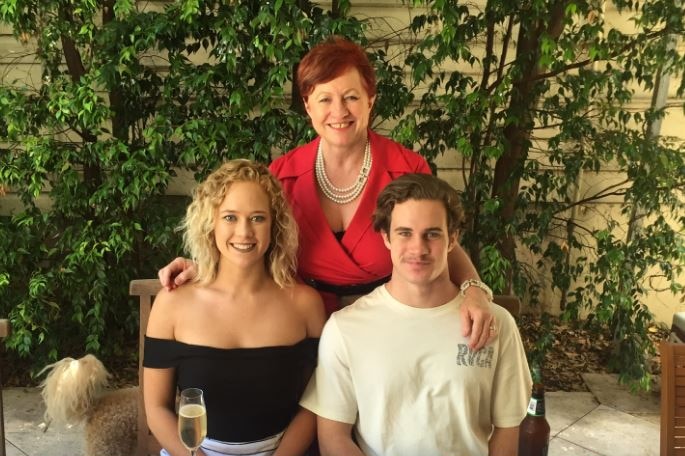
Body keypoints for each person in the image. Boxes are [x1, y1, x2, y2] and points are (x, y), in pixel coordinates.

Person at [158, 36, 495, 350]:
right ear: (308, 106)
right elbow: (252, 243)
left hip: (390, 330)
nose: (339, 111)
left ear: (370, 100)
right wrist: (204, 267)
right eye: (325, 99)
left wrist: (475, 290)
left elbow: (438, 243)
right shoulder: (281, 176)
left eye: (351, 97)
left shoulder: (406, 168)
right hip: (302, 332)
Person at [300, 173, 532, 456]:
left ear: (452, 239)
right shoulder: (345, 328)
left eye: (432, 234)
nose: (418, 249)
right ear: (386, 237)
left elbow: (507, 430)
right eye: (404, 233)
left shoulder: (495, 324)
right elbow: (334, 438)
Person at [144, 160, 325, 456]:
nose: (244, 232)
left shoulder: (305, 305)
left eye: (257, 218)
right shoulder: (173, 302)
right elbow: (156, 408)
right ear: (210, 222)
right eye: (230, 217)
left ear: (274, 224)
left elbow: (314, 402)